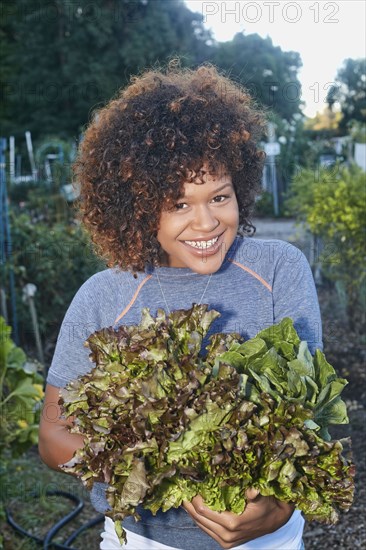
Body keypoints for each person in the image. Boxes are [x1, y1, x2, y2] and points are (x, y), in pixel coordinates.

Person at [39, 61, 321, 549]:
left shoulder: (279, 270)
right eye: (179, 204)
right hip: (145, 540)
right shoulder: (105, 297)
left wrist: (278, 511)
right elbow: (53, 435)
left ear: (241, 188)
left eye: (220, 196)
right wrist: (157, 463)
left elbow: (309, 411)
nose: (206, 222)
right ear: (139, 206)